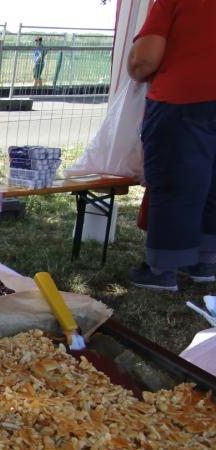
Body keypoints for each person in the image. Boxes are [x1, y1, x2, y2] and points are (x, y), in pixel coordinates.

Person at [127, 0, 216, 291]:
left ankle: (161, 270)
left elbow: (144, 59)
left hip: (182, 99)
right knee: (211, 184)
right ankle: (204, 261)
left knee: (174, 182)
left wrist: (134, 68)